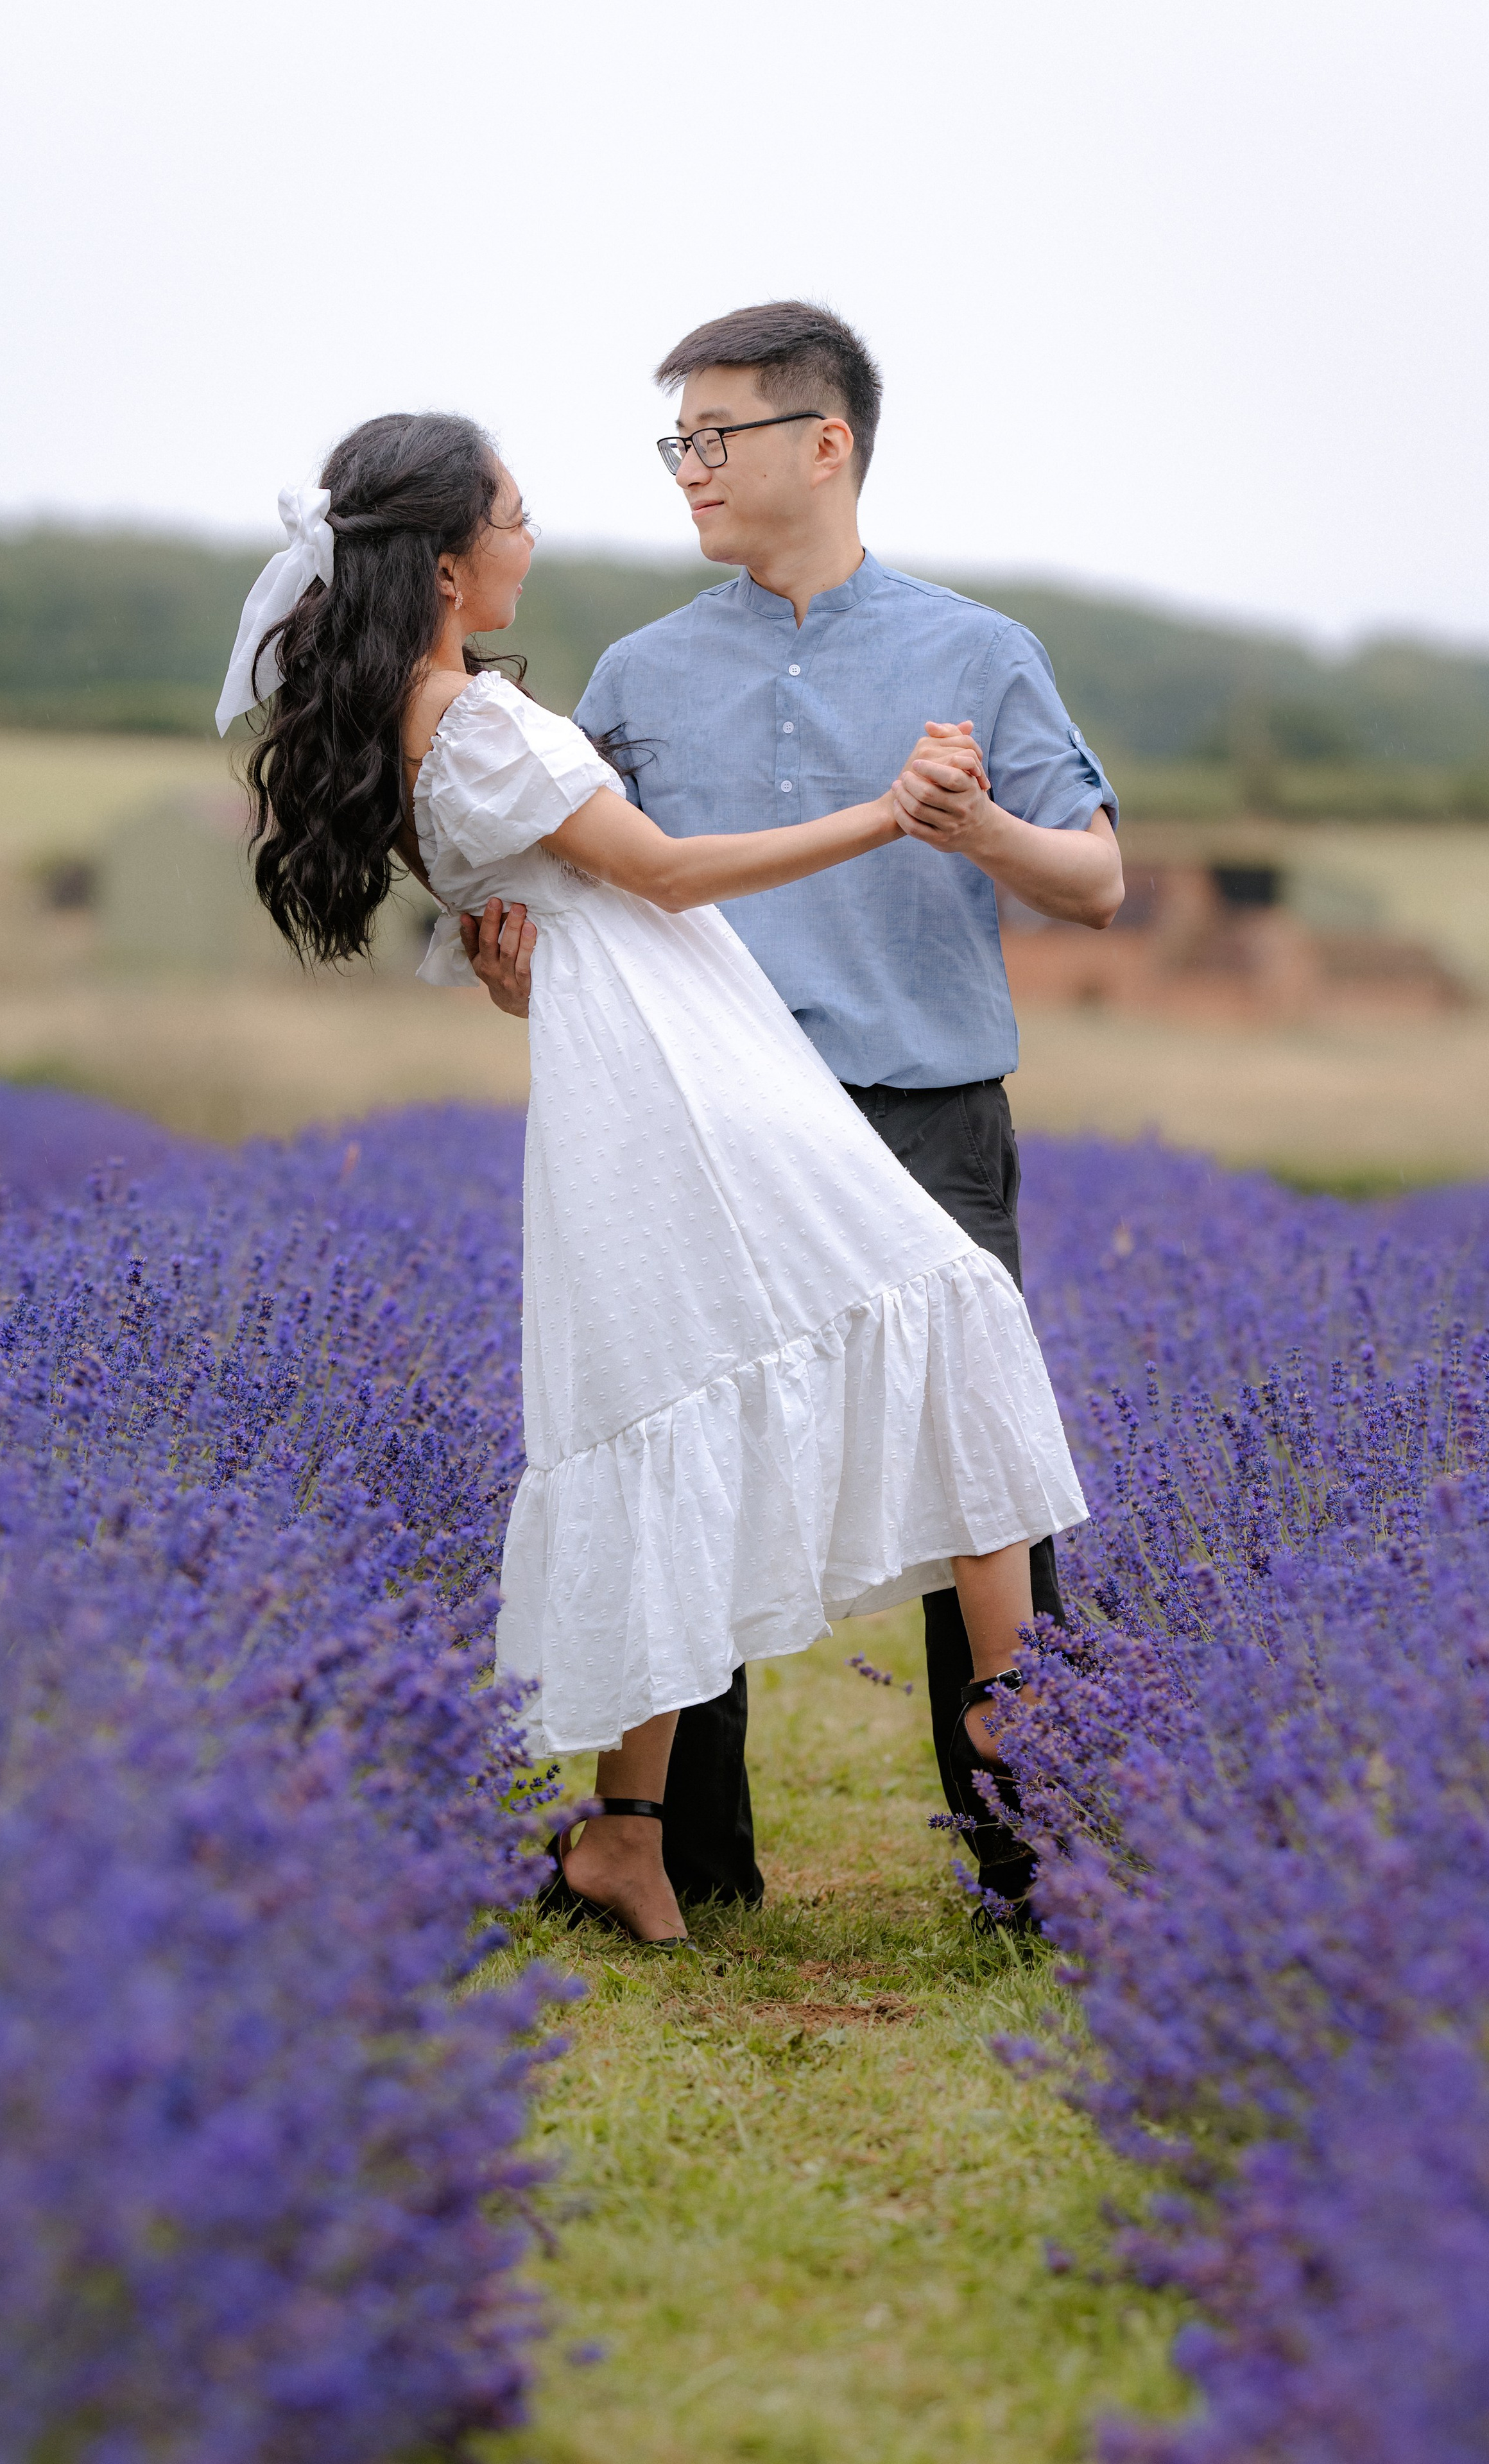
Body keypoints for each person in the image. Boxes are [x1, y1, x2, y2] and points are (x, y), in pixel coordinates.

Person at [219, 407, 1087, 1946]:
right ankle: (1010, 1712)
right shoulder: (472, 723)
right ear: (440, 562)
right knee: (945, 1306)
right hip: (677, 1077)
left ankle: (626, 1835)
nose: (530, 535)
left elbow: (548, 903)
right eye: (513, 512)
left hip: (650, 1063)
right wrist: (889, 814)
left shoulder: (448, 713)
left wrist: (511, 963)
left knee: (674, 1404)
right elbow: (665, 875)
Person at [460, 302, 1124, 1920]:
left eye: (714, 435)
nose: (687, 466)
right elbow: (595, 932)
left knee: (984, 1470)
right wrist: (509, 979)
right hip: (710, 1132)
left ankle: (1032, 1861)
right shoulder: (637, 672)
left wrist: (975, 833)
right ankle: (684, 1862)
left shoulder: (978, 652)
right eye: (674, 440)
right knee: (702, 1467)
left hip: (921, 1111)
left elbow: (1096, 880)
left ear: (822, 444)